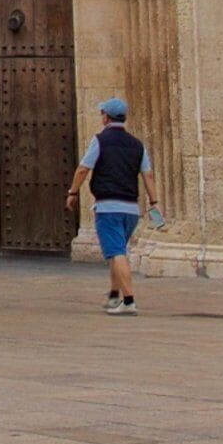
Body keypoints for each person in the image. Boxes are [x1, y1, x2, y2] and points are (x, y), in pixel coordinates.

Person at [65, 95, 153, 315]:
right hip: (131, 209)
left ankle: (129, 300)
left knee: (116, 252)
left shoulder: (100, 141)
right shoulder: (137, 145)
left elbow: (83, 168)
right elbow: (148, 175)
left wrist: (73, 192)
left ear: (106, 117)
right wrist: (155, 202)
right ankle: (114, 296)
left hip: (109, 207)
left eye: (102, 113)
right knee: (118, 250)